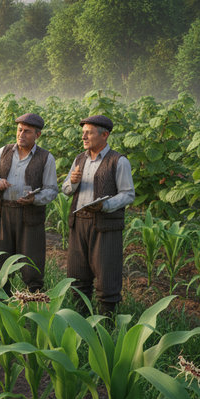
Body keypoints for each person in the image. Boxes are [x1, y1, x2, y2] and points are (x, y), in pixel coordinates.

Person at [62, 115, 135, 316]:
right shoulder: (79, 159)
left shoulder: (118, 161)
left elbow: (128, 194)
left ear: (104, 135)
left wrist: (105, 205)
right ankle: (80, 320)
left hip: (105, 226)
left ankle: (106, 324)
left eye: (89, 132)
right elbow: (66, 190)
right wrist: (73, 182)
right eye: (83, 132)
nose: (84, 137)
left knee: (106, 275)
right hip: (79, 224)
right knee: (77, 274)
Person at [0, 113, 58, 293]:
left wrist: (34, 199)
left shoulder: (46, 158)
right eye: (19, 130)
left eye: (27, 131)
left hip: (30, 216)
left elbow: (51, 190)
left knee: (31, 263)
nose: (21, 135)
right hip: (3, 214)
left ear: (37, 135)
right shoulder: (3, 152)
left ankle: (31, 305)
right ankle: (0, 305)